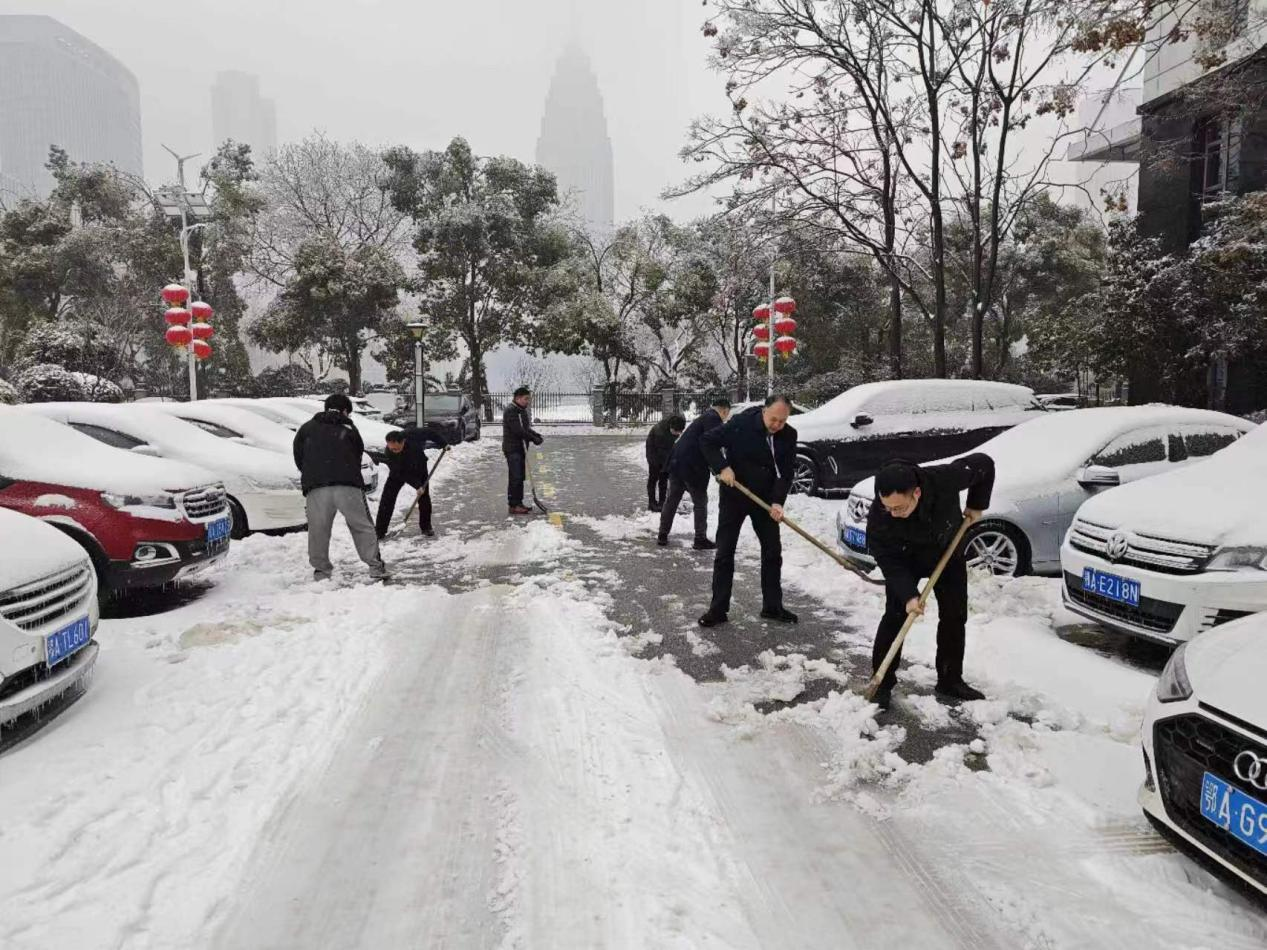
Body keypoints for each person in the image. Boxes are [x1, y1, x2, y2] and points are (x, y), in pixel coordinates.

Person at [866, 455, 995, 711]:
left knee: (954, 615)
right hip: (904, 558)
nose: (894, 513)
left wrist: (976, 504)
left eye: (899, 508)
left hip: (946, 552)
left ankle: (950, 679)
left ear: (916, 492)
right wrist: (908, 596)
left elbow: (983, 464)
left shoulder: (944, 479)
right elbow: (888, 560)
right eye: (888, 507)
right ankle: (882, 683)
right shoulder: (880, 517)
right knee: (895, 615)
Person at [697, 395, 798, 627]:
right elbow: (707, 441)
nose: (777, 425)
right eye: (774, 419)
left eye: (782, 421)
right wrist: (722, 467)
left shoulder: (788, 435)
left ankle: (772, 606)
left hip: (764, 499)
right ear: (764, 411)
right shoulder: (741, 424)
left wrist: (777, 502)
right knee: (725, 552)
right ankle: (718, 609)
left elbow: (786, 472)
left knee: (773, 552)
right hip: (735, 494)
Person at [293, 393, 388, 582]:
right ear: (345, 410)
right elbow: (358, 452)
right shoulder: (349, 428)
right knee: (362, 526)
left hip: (316, 487)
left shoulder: (307, 428)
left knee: (318, 529)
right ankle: (375, 567)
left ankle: (321, 571)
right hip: (348, 485)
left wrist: (315, 474)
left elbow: (299, 456)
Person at [658, 397, 731, 549]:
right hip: (692, 467)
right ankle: (700, 539)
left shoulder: (704, 418)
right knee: (700, 503)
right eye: (727, 415)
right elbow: (711, 447)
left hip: (677, 463)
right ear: (724, 410)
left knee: (672, 500)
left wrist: (716, 469)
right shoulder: (713, 419)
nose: (725, 419)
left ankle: (662, 535)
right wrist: (721, 468)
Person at [374, 427, 451, 539]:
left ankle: (426, 527)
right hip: (399, 471)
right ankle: (379, 531)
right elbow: (401, 473)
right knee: (387, 498)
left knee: (424, 496)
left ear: (403, 441)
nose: (393, 451)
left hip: (419, 468)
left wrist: (443, 443)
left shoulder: (413, 435)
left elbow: (430, 432)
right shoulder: (389, 452)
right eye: (391, 448)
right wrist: (417, 485)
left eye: (395, 449)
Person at [503, 386, 544, 515]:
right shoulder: (511, 411)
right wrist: (532, 438)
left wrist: (536, 435)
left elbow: (525, 428)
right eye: (526, 399)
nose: (528, 402)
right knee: (515, 477)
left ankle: (518, 503)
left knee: (520, 477)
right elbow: (518, 431)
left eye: (528, 399)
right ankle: (514, 504)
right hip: (513, 448)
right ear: (518, 398)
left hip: (520, 449)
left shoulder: (521, 411)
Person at [644, 413, 686, 511]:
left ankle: (662, 502)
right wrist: (668, 466)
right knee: (654, 478)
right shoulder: (660, 432)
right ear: (671, 427)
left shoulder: (677, 423)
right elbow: (663, 453)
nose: (677, 434)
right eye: (676, 431)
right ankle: (652, 503)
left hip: (664, 453)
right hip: (653, 454)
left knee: (663, 479)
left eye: (679, 432)